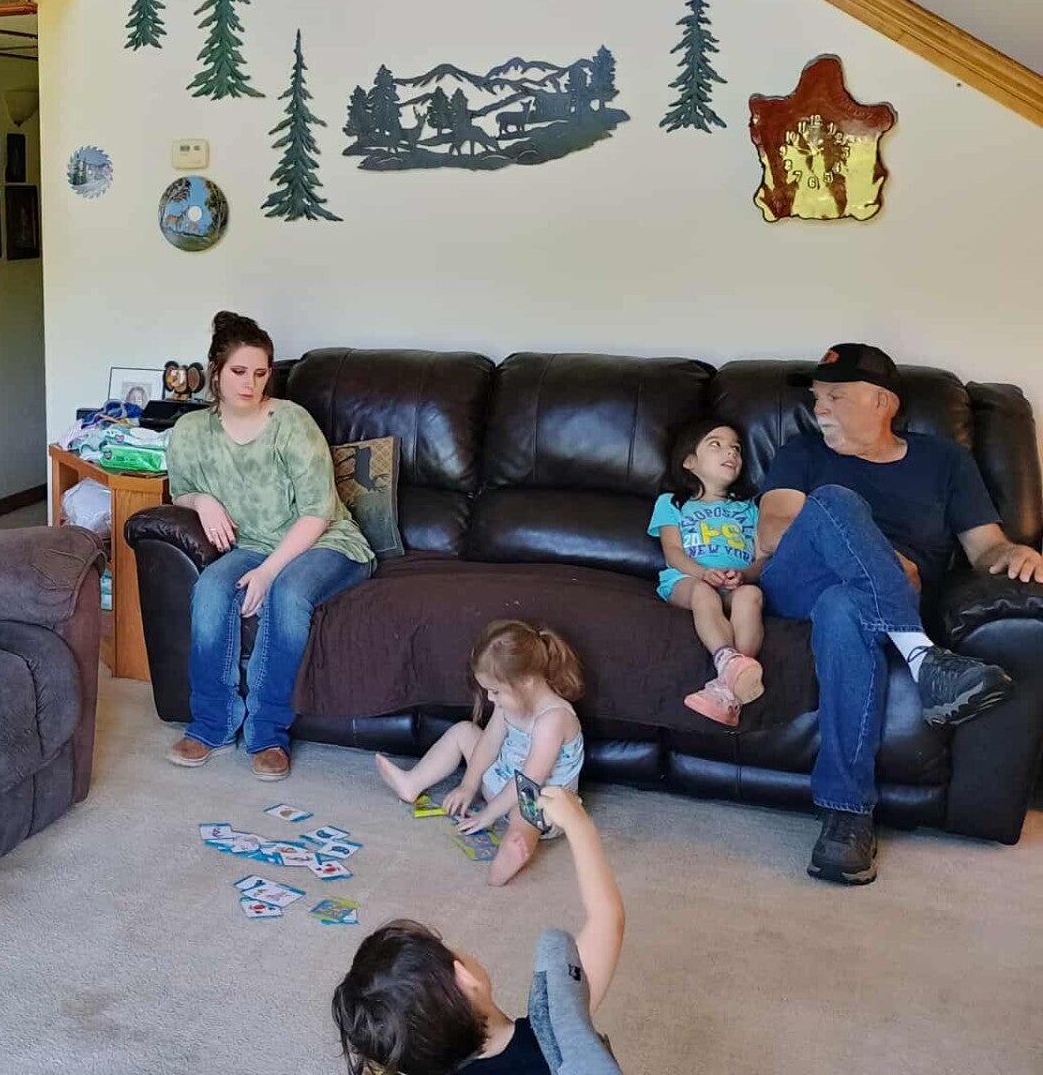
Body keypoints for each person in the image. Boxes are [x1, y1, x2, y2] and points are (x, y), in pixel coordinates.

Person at [756, 343, 1026, 886]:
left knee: (844, 607)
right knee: (834, 501)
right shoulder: (800, 452)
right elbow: (772, 533)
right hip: (798, 583)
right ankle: (922, 656)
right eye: (817, 398)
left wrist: (1014, 553)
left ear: (882, 402)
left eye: (835, 396)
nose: (819, 408)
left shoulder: (945, 461)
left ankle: (846, 816)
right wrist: (874, 554)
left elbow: (986, 548)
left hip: (870, 601)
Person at [166, 311, 375, 780]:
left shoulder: (292, 422)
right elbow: (180, 491)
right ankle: (211, 725)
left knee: (288, 594)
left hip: (325, 541)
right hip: (253, 543)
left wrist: (267, 572)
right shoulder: (191, 431)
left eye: (261, 373)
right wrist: (202, 502)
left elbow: (317, 513)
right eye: (239, 371)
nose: (251, 384)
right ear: (215, 371)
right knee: (210, 591)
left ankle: (267, 733)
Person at [332, 787, 624, 1075]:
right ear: (465, 977)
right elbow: (607, 919)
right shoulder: (553, 1038)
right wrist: (578, 824)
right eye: (443, 945)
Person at [373, 620, 586, 887]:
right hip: (502, 780)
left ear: (527, 681)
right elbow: (489, 743)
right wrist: (468, 785)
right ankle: (411, 783)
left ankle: (516, 846)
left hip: (539, 799)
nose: (490, 698)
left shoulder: (554, 719)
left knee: (525, 816)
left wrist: (489, 814)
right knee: (464, 730)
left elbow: (529, 780)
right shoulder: (509, 702)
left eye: (495, 691)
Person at [649, 420, 766, 726]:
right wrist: (702, 574)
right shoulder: (671, 503)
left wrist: (745, 575)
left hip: (735, 583)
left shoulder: (750, 509)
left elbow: (762, 558)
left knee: (751, 596)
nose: (731, 452)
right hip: (687, 580)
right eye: (716, 444)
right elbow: (673, 552)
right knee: (703, 594)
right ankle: (727, 659)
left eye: (736, 448)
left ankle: (727, 688)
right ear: (689, 461)